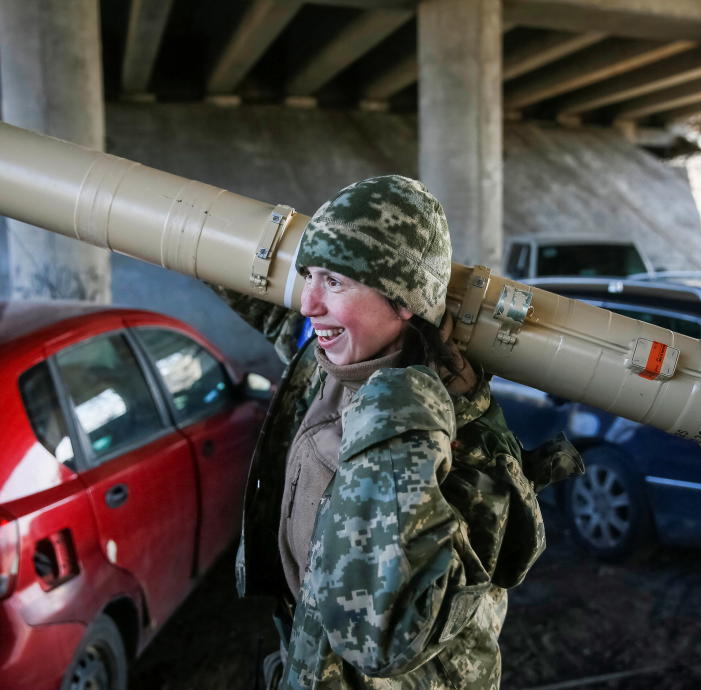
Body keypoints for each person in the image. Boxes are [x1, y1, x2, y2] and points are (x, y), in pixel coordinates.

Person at [213, 175, 581, 689]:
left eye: (335, 282)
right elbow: (275, 308)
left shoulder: (461, 447)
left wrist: (400, 414)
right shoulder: (328, 364)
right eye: (309, 275)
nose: (308, 301)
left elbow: (382, 639)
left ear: (404, 300)